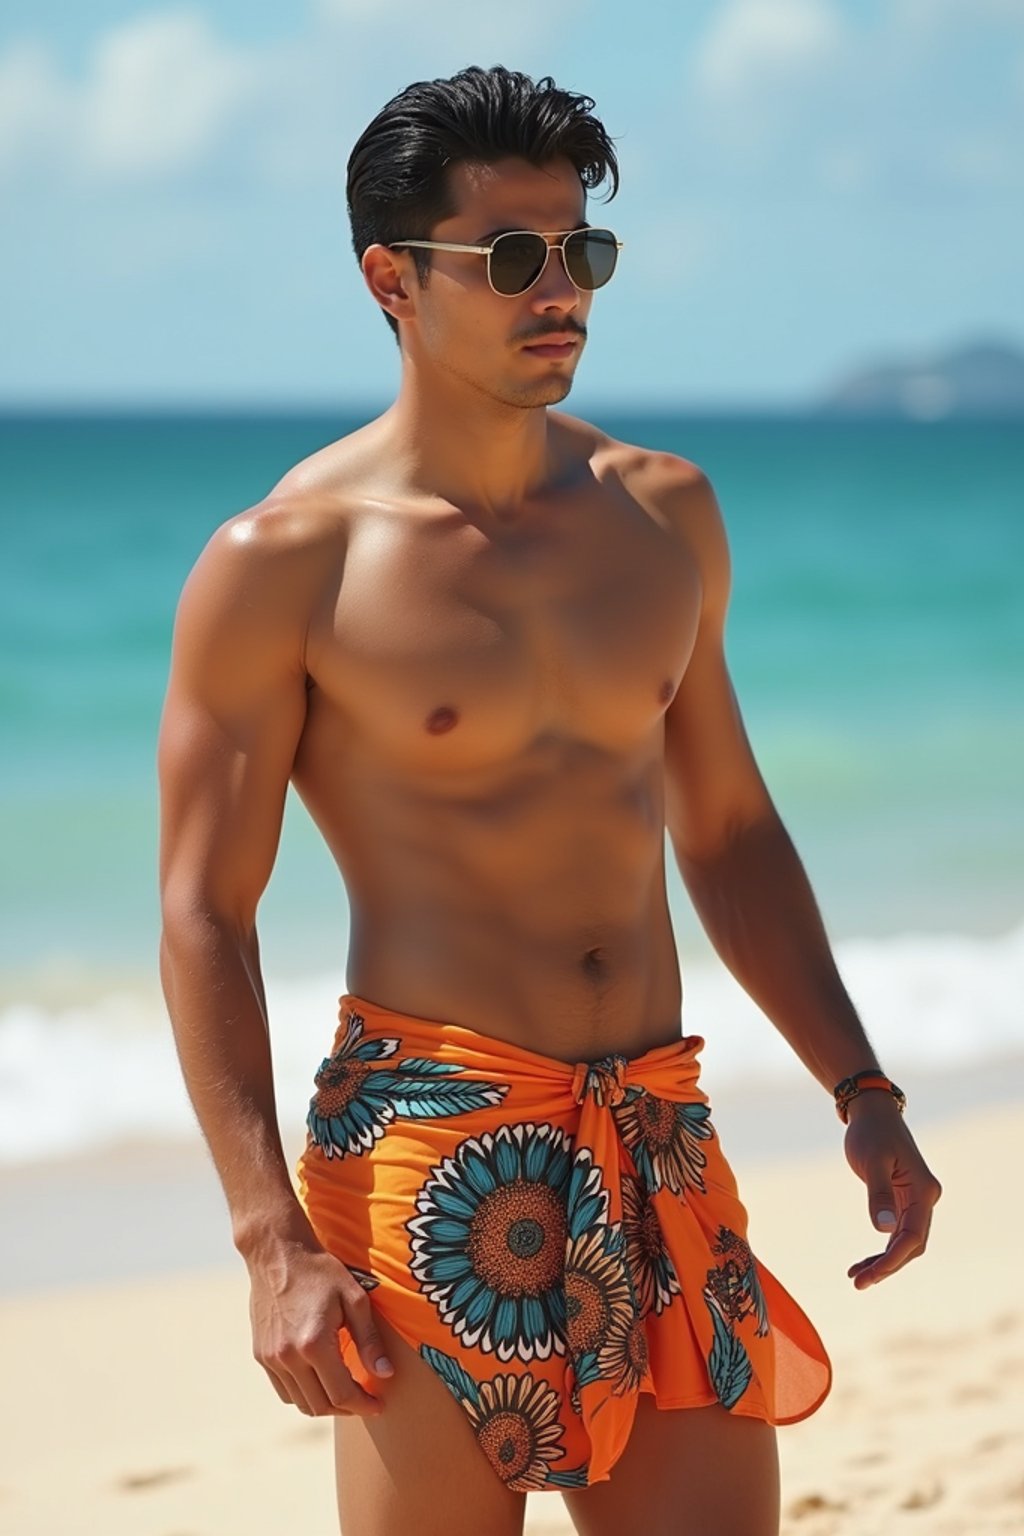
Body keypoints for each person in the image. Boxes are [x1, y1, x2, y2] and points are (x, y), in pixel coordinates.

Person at [157, 63, 942, 1536]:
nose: (558, 288)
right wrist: (269, 1241)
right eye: (510, 257)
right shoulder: (288, 560)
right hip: (434, 1145)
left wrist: (863, 1086)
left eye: (582, 251)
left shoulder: (663, 514)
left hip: (655, 1130)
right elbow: (205, 907)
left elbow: (727, 828)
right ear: (393, 278)